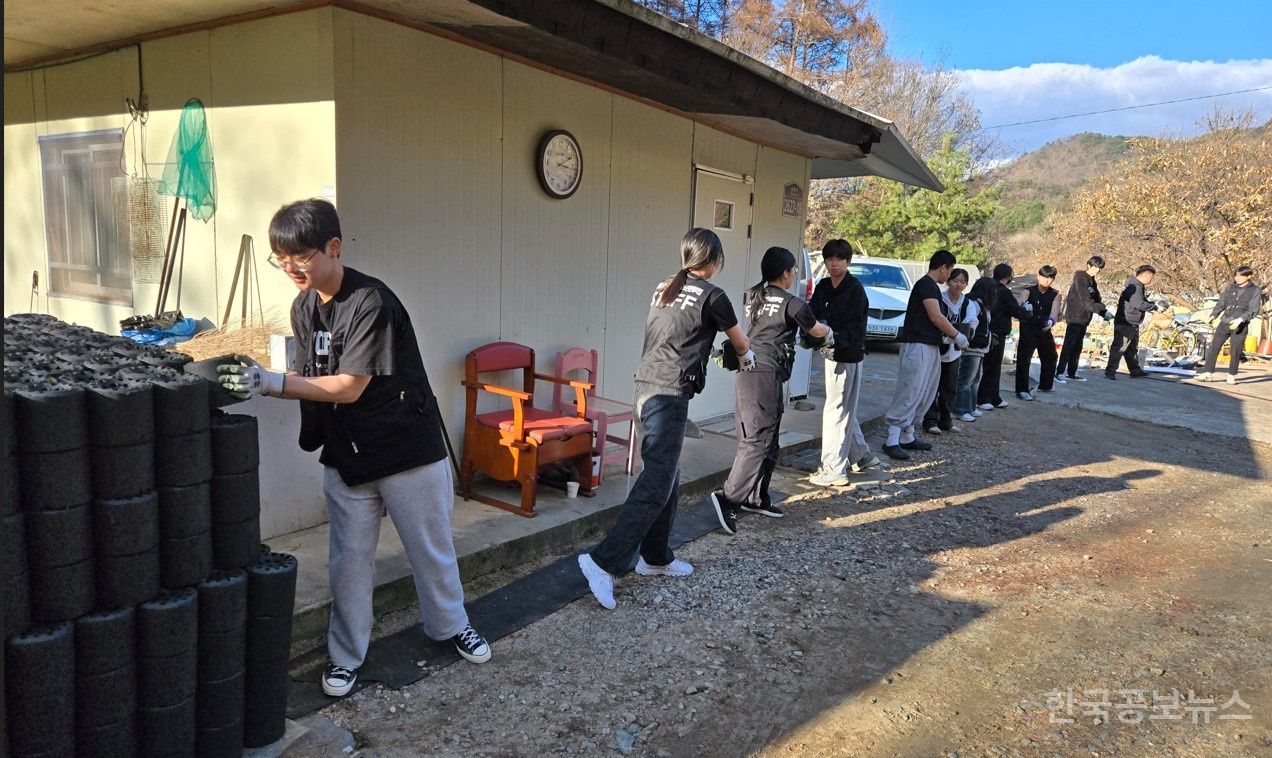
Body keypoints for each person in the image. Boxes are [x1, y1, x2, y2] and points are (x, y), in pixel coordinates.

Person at [216, 198, 490, 699]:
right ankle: (346, 655)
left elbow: (348, 387)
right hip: (348, 453)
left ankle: (451, 625)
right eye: (281, 258)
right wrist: (259, 375)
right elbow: (312, 377)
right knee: (348, 560)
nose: (289, 267)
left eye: (300, 255)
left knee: (430, 551)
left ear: (333, 247)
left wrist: (273, 384)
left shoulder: (371, 302)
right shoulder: (304, 308)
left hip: (406, 446)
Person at [578, 228, 753, 609]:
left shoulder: (665, 287)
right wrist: (745, 357)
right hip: (668, 395)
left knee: (667, 473)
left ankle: (656, 557)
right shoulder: (715, 296)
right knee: (656, 483)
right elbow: (741, 344)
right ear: (714, 260)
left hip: (645, 385)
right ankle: (602, 563)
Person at [713, 247, 830, 533]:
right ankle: (728, 498)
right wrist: (829, 332)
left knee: (762, 436)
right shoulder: (794, 304)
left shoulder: (753, 296)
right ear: (786, 273)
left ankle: (756, 497)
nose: (794, 275)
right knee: (758, 440)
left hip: (748, 370)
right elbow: (815, 330)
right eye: (793, 271)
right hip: (765, 374)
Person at [807, 239, 880, 488]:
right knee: (842, 406)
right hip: (829, 354)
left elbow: (855, 331)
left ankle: (833, 468)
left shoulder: (855, 290)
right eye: (829, 259)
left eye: (839, 258)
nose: (833, 263)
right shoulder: (824, 285)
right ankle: (861, 454)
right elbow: (812, 315)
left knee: (837, 412)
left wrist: (830, 337)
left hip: (846, 356)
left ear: (848, 261)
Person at [881, 250, 967, 461]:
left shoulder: (932, 287)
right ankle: (892, 438)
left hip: (929, 345)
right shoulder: (926, 285)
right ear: (944, 267)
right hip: (917, 345)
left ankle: (907, 435)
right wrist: (956, 335)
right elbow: (936, 316)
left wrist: (946, 337)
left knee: (924, 391)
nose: (948, 278)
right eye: (949, 271)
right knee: (909, 390)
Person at [923, 268, 971, 434]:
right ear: (948, 281)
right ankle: (930, 420)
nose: (958, 284)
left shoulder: (966, 303)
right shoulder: (939, 299)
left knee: (950, 387)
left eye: (962, 281)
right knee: (932, 387)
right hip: (937, 348)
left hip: (955, 351)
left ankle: (946, 420)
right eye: (955, 280)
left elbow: (971, 323)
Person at [1195, 265, 1262, 384]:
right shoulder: (1231, 287)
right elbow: (1222, 302)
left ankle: (1231, 375)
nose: (1238, 278)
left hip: (1240, 324)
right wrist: (1213, 315)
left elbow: (1254, 310)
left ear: (1248, 276)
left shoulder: (1255, 290)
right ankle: (1207, 373)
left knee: (1235, 350)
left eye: (1241, 276)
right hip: (1225, 321)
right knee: (1214, 347)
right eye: (1236, 275)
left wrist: (1241, 319)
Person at [977, 263, 1030, 411]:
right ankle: (984, 398)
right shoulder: (1003, 292)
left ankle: (994, 396)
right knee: (991, 366)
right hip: (996, 332)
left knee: (992, 366)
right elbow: (1016, 310)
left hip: (987, 330)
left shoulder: (989, 286)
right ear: (1008, 276)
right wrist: (1027, 312)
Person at [1056, 256, 1111, 382]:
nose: (1097, 270)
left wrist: (1103, 311)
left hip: (1084, 318)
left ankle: (1071, 372)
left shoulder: (1091, 280)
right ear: (1088, 265)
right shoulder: (1081, 278)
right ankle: (1059, 372)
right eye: (1095, 267)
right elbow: (1086, 300)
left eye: (1099, 268)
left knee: (1077, 346)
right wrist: (1102, 311)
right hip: (1075, 316)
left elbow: (1096, 299)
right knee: (1069, 346)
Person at [1014, 265, 1062, 400]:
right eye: (1044, 277)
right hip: (1029, 328)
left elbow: (1055, 311)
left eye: (1050, 278)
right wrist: (1024, 306)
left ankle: (1045, 385)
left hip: (1044, 328)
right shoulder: (1028, 291)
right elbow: (1021, 303)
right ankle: (1022, 390)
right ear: (1038, 276)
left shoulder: (1055, 293)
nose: (1047, 280)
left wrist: (1051, 321)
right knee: (1024, 359)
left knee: (1051, 356)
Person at [1105, 265, 1158, 380]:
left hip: (1132, 322)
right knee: (1120, 347)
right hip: (1126, 322)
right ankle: (1110, 371)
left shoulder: (1137, 286)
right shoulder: (1135, 287)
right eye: (1152, 277)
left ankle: (1135, 370)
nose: (1152, 279)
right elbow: (1138, 303)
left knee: (1131, 348)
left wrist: (1151, 305)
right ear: (1146, 274)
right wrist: (1153, 307)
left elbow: (1141, 302)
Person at [954, 276, 996, 423]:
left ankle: (970, 407)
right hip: (972, 348)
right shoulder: (974, 304)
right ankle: (960, 409)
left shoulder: (983, 305)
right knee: (966, 380)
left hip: (980, 349)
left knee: (975, 380)